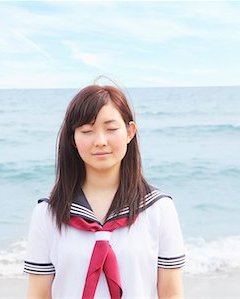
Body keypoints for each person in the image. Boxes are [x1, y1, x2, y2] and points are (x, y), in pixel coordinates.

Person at [24, 84, 185, 298]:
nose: (100, 141)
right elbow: (38, 295)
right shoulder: (48, 213)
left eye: (111, 129)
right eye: (87, 131)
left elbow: (171, 294)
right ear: (73, 138)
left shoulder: (159, 208)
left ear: (130, 132)